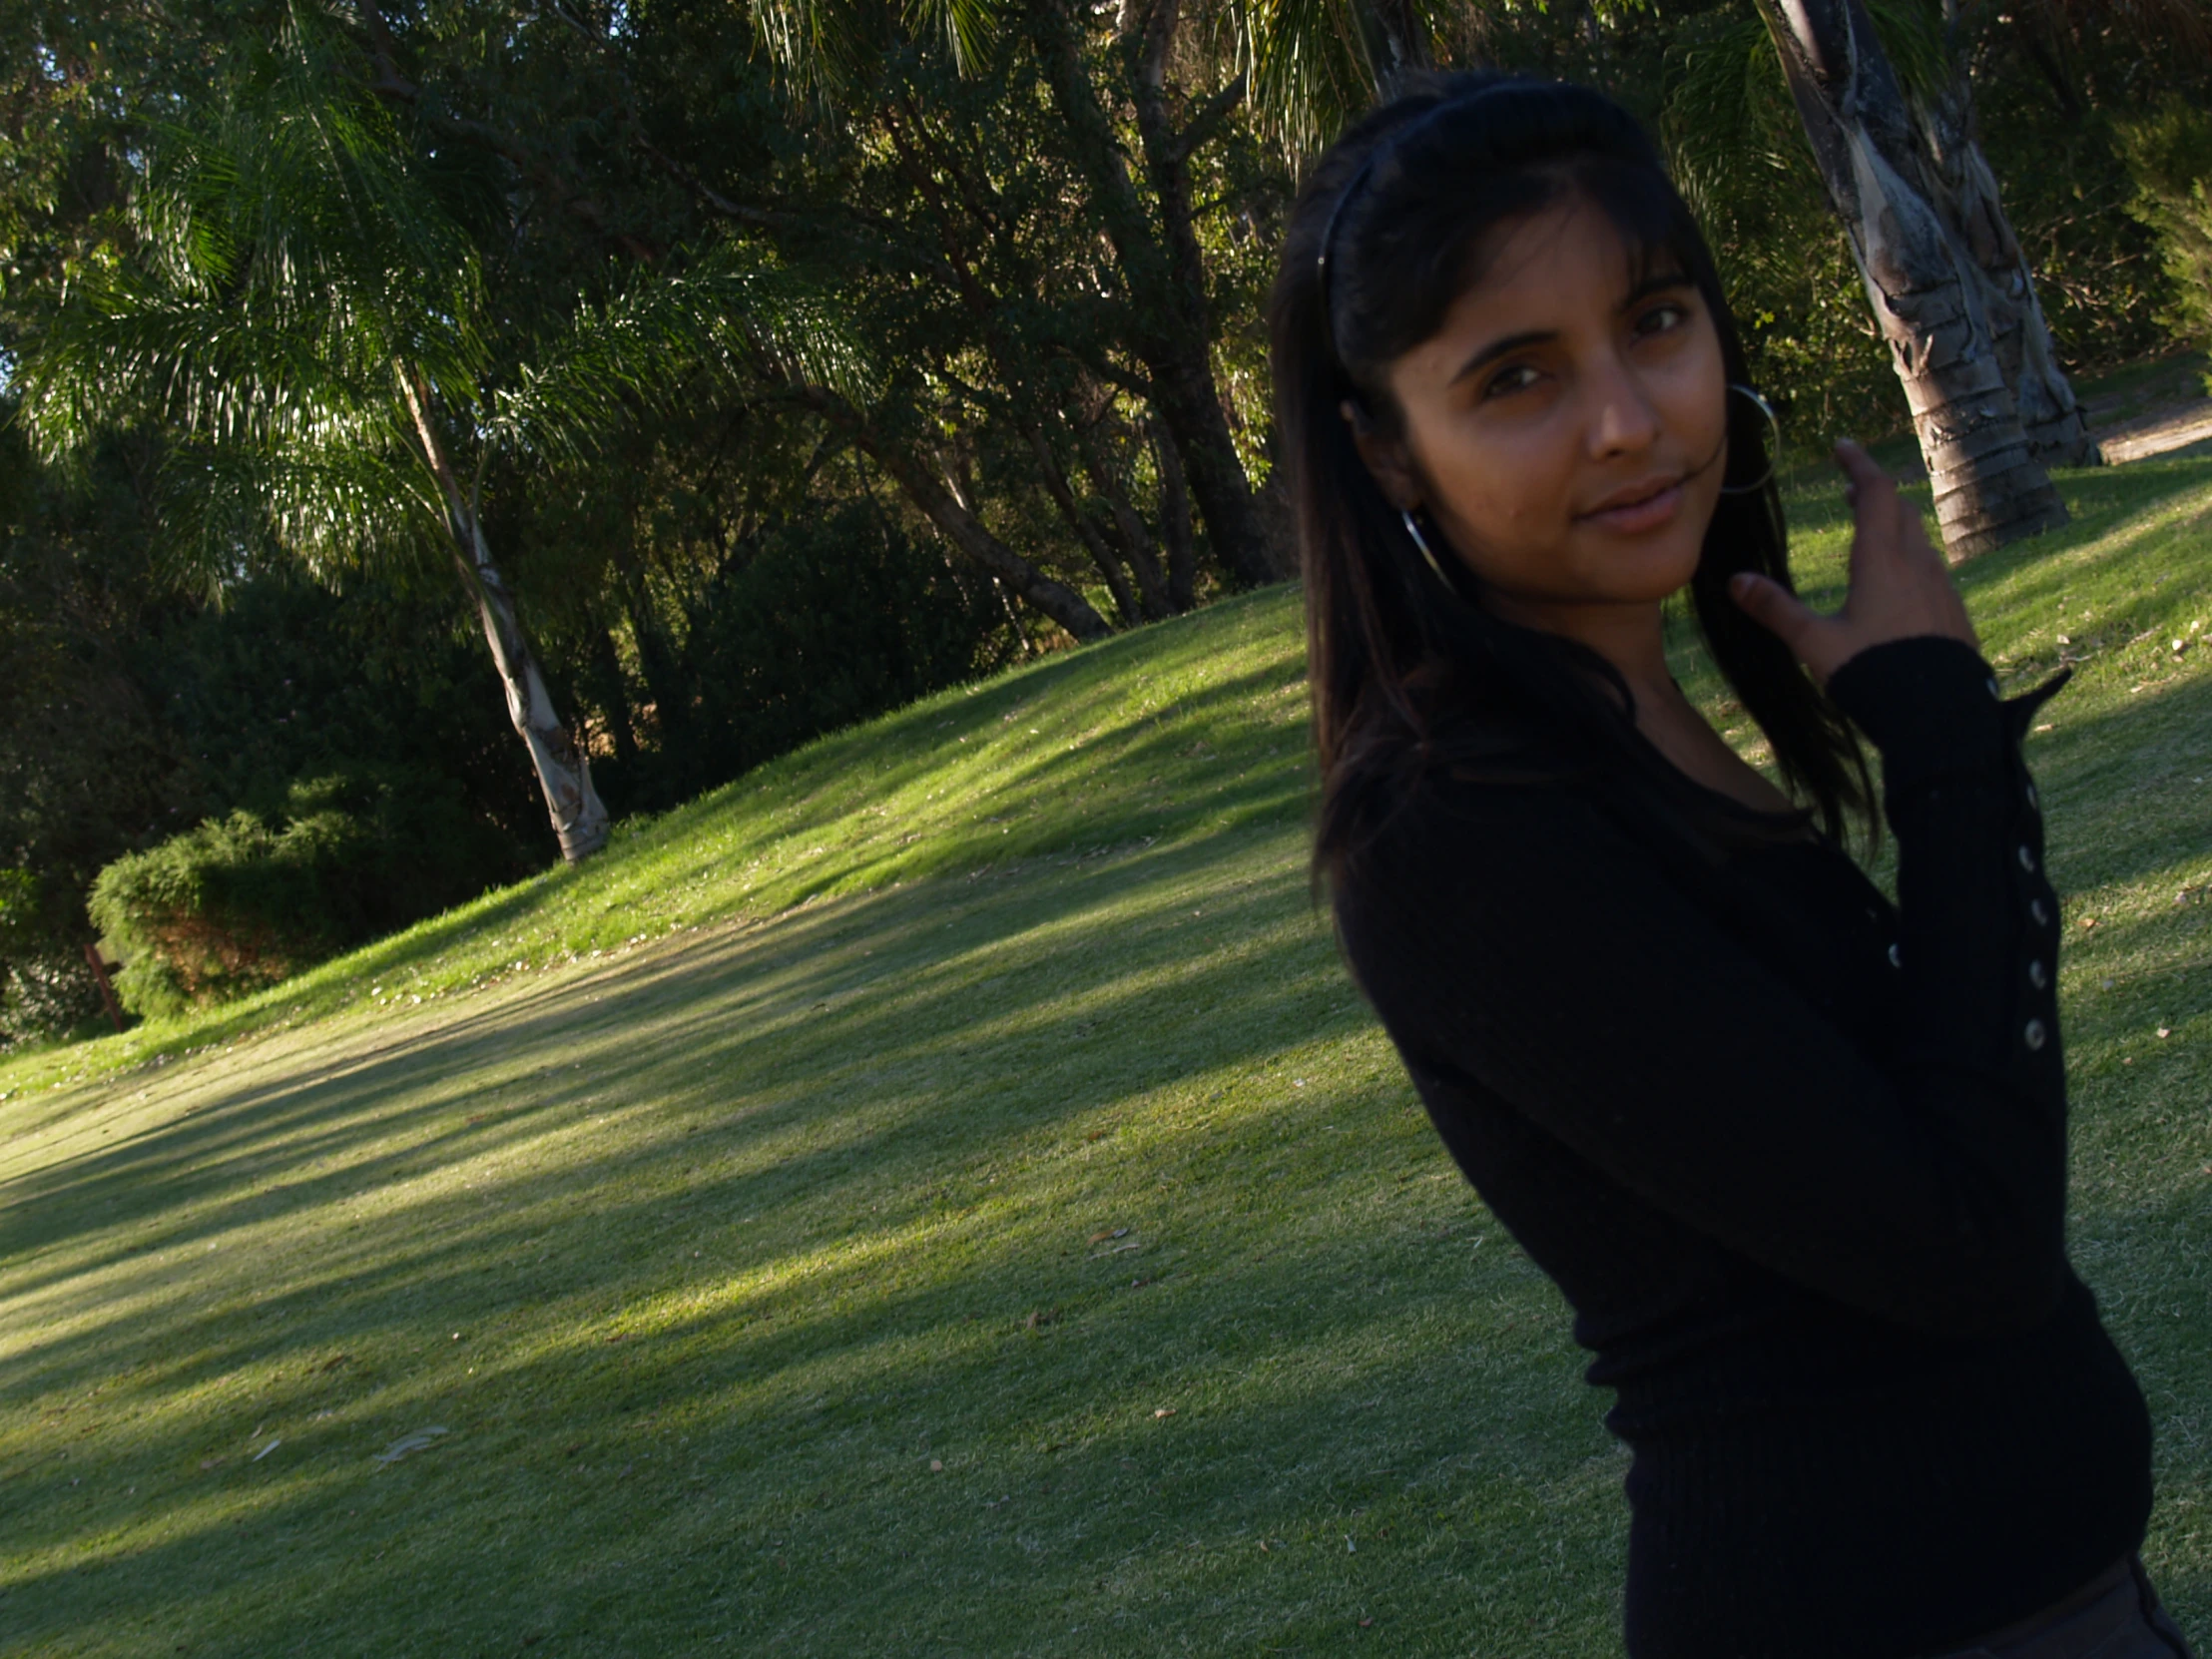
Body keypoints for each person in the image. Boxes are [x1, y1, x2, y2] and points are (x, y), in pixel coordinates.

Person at [1271, 71, 2200, 1659]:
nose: (1630, 419)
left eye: (1655, 323)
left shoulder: (1622, 724)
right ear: (1391, 453)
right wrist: (1949, 751)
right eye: (1515, 378)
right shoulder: (1455, 826)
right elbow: (1967, 1242)